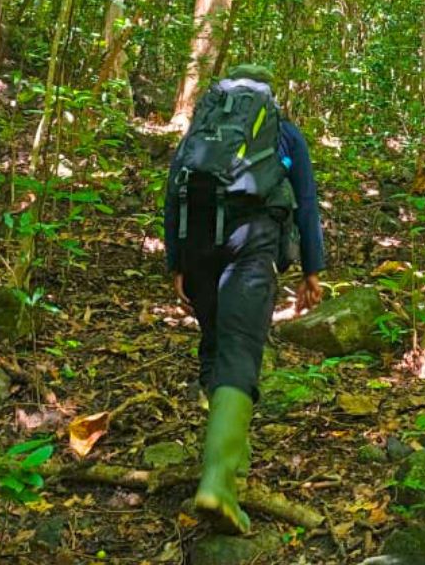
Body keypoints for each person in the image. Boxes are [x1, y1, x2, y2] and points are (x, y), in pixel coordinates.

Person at [163, 63, 325, 533]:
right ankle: (219, 480)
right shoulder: (285, 135)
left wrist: (175, 261)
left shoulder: (201, 129)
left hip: (196, 242)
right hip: (253, 241)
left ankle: (229, 454)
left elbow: (174, 188)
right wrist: (312, 269)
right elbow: (307, 201)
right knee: (240, 348)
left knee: (215, 342)